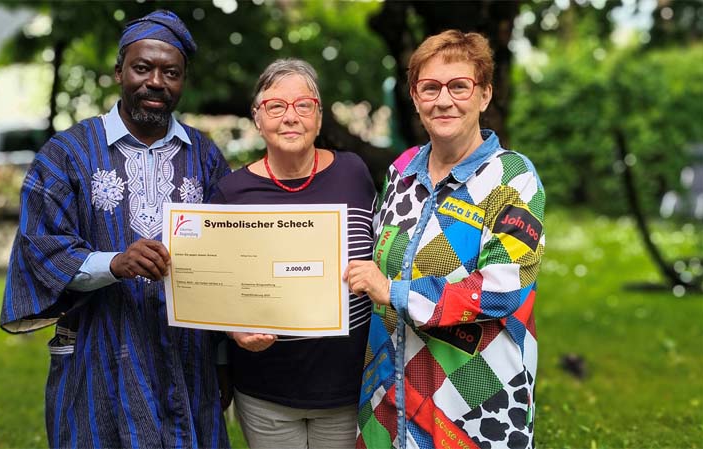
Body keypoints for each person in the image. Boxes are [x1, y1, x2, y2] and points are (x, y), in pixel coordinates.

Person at [0, 10, 231, 449]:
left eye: (171, 72)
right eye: (142, 68)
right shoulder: (67, 154)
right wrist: (115, 263)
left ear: (183, 80)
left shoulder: (204, 155)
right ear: (119, 72)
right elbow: (42, 249)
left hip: (188, 362)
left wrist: (222, 360)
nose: (156, 82)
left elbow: (229, 259)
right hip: (97, 357)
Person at [345, 30, 545, 449]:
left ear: (485, 95)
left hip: (472, 401)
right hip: (388, 395)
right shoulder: (401, 170)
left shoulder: (512, 177)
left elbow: (503, 288)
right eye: (429, 87)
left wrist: (396, 292)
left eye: (459, 86)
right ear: (415, 98)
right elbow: (374, 260)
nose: (443, 99)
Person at [210, 58, 378, 449]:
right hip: (266, 390)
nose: (290, 117)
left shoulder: (354, 173)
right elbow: (215, 285)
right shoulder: (230, 194)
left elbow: (380, 247)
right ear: (257, 118)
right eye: (275, 106)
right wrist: (233, 329)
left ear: (318, 118)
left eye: (303, 105)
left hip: (348, 385)